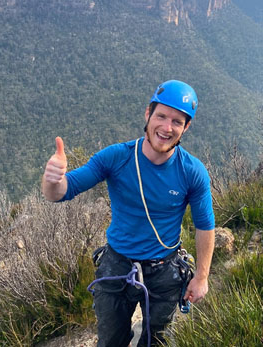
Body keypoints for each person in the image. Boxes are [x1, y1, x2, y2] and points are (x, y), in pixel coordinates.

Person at [41, 80, 215, 347]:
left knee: (155, 340)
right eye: (161, 116)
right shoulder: (116, 157)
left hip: (165, 269)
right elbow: (62, 192)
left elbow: (205, 225)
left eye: (177, 121)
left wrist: (202, 277)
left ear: (186, 127)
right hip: (117, 264)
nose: (167, 128)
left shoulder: (192, 172)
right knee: (111, 340)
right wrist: (53, 180)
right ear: (148, 114)